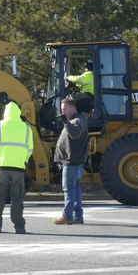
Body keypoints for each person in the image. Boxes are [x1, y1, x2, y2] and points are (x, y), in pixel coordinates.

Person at [0, 91, 34, 234]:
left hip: (1, 168)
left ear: (5, 113)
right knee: (17, 200)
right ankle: (19, 227)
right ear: (18, 112)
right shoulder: (26, 128)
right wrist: (23, 159)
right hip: (18, 169)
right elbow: (30, 148)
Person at [53, 96, 88, 225]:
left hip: (71, 162)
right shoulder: (77, 120)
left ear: (72, 108)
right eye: (62, 109)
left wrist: (65, 122)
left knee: (69, 189)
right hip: (74, 162)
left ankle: (67, 215)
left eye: (64, 109)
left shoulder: (77, 121)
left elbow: (75, 134)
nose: (62, 112)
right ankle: (78, 217)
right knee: (75, 189)